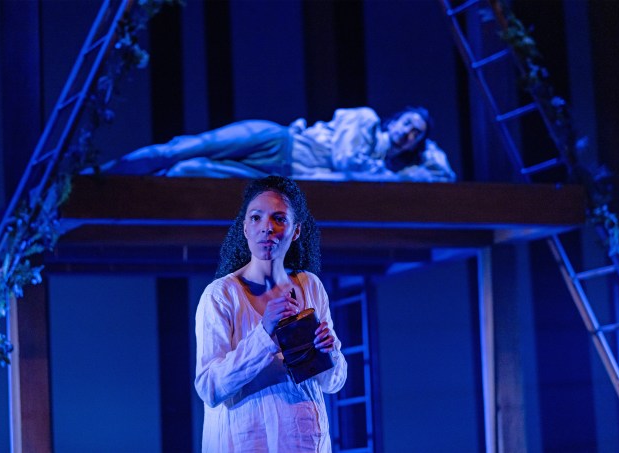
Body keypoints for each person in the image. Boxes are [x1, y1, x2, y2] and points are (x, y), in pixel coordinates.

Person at [194, 176, 348, 452]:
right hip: (247, 442)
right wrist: (265, 333)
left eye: (279, 218)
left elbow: (332, 384)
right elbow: (209, 387)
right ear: (245, 228)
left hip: (304, 441)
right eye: (256, 218)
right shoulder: (221, 295)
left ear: (296, 230)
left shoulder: (310, 286)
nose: (267, 227)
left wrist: (329, 353)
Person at [96, 106, 456, 182]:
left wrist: (429, 151)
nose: (409, 133)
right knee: (179, 149)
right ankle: (97, 177)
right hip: (278, 141)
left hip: (279, 173)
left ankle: (118, 193)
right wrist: (386, 175)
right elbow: (346, 160)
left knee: (187, 171)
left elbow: (444, 176)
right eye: (408, 123)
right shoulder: (367, 120)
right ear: (395, 120)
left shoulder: (381, 171)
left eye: (417, 134)